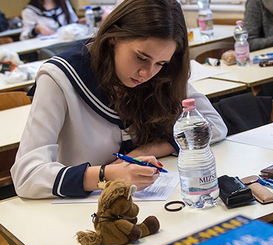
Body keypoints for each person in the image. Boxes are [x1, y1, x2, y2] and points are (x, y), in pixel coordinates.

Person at [12, 0, 227, 200]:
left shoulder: (161, 73)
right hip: (80, 216)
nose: (146, 73)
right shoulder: (60, 76)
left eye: (160, 63)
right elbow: (26, 175)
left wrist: (147, 150)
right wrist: (106, 175)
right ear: (114, 36)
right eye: (141, 57)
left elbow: (214, 125)